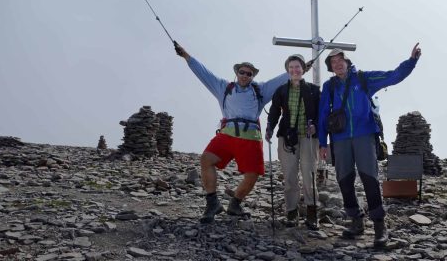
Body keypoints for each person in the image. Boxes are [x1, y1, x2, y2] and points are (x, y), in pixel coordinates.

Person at [318, 43, 421, 248]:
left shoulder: (364, 78)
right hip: (340, 139)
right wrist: (323, 143)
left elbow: (394, 76)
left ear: (347, 62)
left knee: (370, 179)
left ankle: (379, 227)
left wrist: (411, 61)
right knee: (344, 180)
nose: (337, 64)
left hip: (365, 136)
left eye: (340, 60)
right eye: (333, 62)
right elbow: (322, 115)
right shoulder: (329, 87)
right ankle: (356, 221)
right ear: (331, 67)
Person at [174, 42, 288, 223]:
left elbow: (281, 79)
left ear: (252, 76)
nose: (245, 75)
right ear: (236, 73)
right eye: (242, 72)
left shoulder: (261, 90)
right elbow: (204, 73)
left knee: (253, 175)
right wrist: (187, 56)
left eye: (249, 73)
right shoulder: (223, 87)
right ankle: (212, 203)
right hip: (227, 135)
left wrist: (301, 68)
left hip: (250, 138)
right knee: (206, 159)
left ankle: (235, 204)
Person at [266, 54, 321, 230]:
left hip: (308, 137)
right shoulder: (281, 90)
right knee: (289, 176)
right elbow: (274, 111)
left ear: (303, 69)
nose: (294, 70)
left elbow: (321, 112)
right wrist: (270, 129)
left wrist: (317, 127)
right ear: (287, 70)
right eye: (291, 68)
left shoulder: (313, 90)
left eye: (297, 67)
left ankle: (312, 213)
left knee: (309, 175)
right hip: (286, 138)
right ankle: (291, 212)